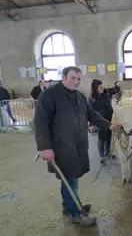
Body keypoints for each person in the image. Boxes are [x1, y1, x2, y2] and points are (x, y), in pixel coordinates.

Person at [34, 66, 121, 226]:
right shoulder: (49, 95)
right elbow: (40, 122)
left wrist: (108, 125)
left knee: (70, 177)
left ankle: (68, 207)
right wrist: (45, 148)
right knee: (71, 178)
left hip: (79, 144)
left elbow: (92, 115)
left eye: (79, 79)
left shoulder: (80, 97)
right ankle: (76, 213)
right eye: (73, 78)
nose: (76, 81)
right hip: (61, 146)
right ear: (64, 77)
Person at [88, 79, 121, 163]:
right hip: (100, 120)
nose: (102, 89)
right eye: (100, 88)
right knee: (102, 138)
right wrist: (91, 124)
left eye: (102, 86)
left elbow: (116, 89)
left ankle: (108, 154)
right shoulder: (92, 98)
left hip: (110, 119)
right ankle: (102, 156)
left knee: (109, 137)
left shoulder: (107, 92)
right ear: (95, 89)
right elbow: (90, 112)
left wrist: (117, 84)